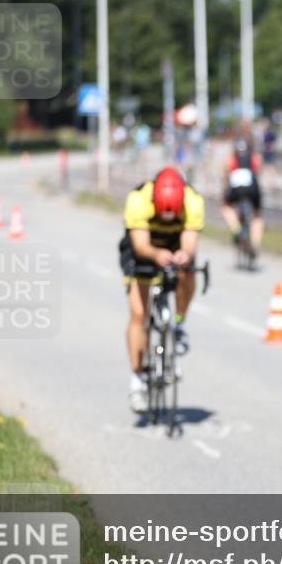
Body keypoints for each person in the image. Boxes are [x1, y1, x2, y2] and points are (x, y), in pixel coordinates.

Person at [119, 167, 205, 413]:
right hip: (143, 248)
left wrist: (182, 255)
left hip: (174, 242)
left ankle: (178, 324)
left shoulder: (193, 202)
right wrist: (157, 254)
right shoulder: (138, 201)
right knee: (138, 314)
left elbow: (189, 244)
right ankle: (137, 379)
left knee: (189, 272)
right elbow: (140, 244)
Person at [221, 139, 263, 263]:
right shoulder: (255, 157)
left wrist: (224, 196)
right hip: (252, 189)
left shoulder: (230, 159)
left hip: (236, 189)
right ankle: (255, 245)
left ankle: (237, 229)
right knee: (257, 216)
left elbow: (226, 177)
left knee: (226, 207)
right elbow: (258, 174)